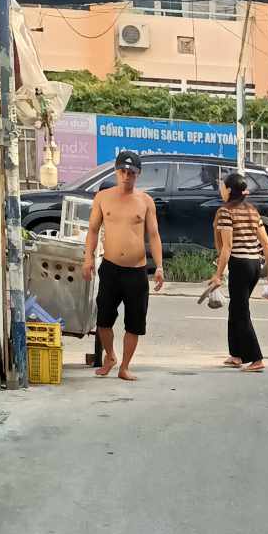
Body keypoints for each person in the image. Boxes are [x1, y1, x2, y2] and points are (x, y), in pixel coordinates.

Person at [81, 151, 164, 380]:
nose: (126, 176)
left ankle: (124, 366)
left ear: (138, 174)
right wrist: (88, 259)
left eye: (131, 173)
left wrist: (159, 266)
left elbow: (154, 235)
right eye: (123, 171)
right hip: (111, 268)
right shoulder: (103, 198)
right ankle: (110, 356)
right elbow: (93, 230)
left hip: (136, 271)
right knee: (103, 320)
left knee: (134, 323)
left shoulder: (145, 201)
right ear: (116, 171)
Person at [211, 170, 268, 370]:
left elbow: (227, 247)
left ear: (229, 190)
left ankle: (256, 358)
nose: (221, 190)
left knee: (241, 312)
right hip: (254, 266)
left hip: (240, 265)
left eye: (223, 186)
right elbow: (266, 244)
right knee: (236, 308)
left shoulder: (225, 212)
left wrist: (217, 275)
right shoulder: (252, 211)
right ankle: (236, 354)